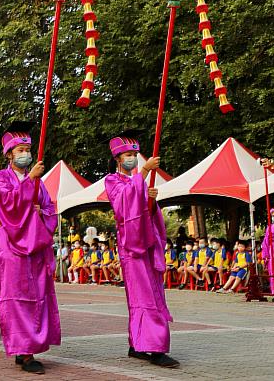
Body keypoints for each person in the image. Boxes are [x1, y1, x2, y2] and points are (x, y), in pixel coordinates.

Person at [104, 130, 178, 368]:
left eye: (135, 155)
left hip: (148, 244)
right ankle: (155, 347)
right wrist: (144, 171)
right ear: (118, 158)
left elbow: (147, 214)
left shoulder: (139, 182)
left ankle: (137, 344)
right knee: (143, 297)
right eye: (128, 155)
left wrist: (152, 203)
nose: (133, 159)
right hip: (131, 247)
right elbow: (123, 205)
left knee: (150, 294)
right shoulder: (112, 181)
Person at [0, 123, 60, 374]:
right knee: (16, 298)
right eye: (20, 150)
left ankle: (28, 348)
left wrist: (41, 213)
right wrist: (30, 181)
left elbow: (50, 209)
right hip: (12, 247)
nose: (25, 154)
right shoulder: (0, 178)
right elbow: (8, 205)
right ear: (9, 154)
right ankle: (24, 351)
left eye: (28, 150)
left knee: (37, 296)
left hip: (36, 247)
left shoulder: (40, 182)